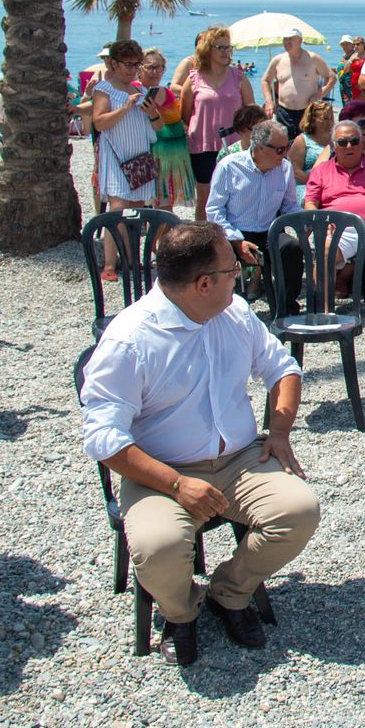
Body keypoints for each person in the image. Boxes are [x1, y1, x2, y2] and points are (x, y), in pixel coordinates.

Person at [80, 221, 321, 666]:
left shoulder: (234, 314)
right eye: (234, 271)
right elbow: (104, 438)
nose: (242, 277)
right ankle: (180, 611)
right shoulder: (130, 339)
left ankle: (229, 594)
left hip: (239, 460)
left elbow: (282, 368)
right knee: (159, 547)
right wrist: (175, 485)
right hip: (159, 471)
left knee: (299, 511)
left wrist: (281, 431)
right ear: (204, 283)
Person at [205, 121, 304, 316]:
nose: (285, 153)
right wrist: (236, 240)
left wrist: (303, 222)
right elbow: (214, 211)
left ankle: (286, 309)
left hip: (268, 231)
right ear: (259, 148)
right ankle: (220, 310)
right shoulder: (229, 166)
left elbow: (289, 205)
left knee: (291, 248)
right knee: (213, 258)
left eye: (287, 147)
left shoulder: (284, 168)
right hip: (233, 231)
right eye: (280, 149)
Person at [92, 39, 162, 282]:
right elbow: (99, 121)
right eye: (128, 65)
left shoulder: (141, 91)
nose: (132, 69)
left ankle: (131, 259)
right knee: (118, 209)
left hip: (139, 157)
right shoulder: (105, 89)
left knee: (137, 210)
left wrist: (152, 113)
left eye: (136, 65)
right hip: (116, 156)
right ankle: (110, 263)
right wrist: (125, 107)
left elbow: (158, 126)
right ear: (114, 63)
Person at [305, 120, 365, 288]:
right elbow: (310, 203)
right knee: (324, 251)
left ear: (361, 143)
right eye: (342, 142)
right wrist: (321, 222)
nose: (349, 146)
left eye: (354, 141)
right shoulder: (321, 171)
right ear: (334, 145)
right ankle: (324, 310)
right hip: (338, 230)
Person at [179, 26, 256, 222]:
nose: (226, 52)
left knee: (234, 196)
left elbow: (252, 113)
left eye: (228, 48)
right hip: (202, 146)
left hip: (233, 146)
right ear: (208, 49)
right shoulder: (194, 78)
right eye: (220, 47)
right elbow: (185, 113)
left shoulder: (239, 77)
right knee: (204, 198)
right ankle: (203, 241)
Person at [140, 49, 196, 213]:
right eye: (149, 67)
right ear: (139, 68)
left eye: (159, 67)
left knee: (163, 204)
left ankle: (160, 238)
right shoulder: (138, 91)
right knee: (159, 204)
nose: (154, 71)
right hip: (158, 151)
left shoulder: (162, 91)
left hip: (169, 154)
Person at [260, 28, 336, 139]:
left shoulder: (313, 58)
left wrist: (319, 94)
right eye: (285, 39)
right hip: (284, 111)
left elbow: (331, 78)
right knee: (284, 143)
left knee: (308, 143)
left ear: (300, 41)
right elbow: (265, 81)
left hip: (307, 111)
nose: (287, 42)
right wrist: (268, 101)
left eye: (291, 39)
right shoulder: (277, 60)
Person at [287, 100, 336, 202]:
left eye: (331, 118)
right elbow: (296, 171)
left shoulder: (335, 140)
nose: (329, 122)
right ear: (313, 120)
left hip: (331, 184)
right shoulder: (302, 140)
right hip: (305, 185)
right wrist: (316, 185)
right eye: (325, 119)